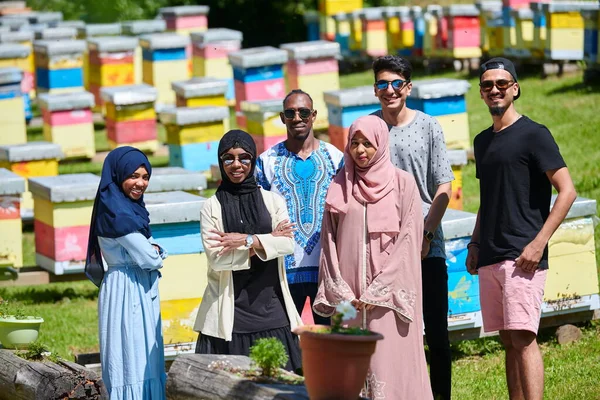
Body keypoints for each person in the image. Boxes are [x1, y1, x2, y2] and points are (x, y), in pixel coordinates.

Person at [467, 57, 577, 400]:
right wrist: (474, 244)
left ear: (515, 88)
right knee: (507, 339)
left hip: (523, 255)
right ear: (482, 94)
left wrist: (538, 244)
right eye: (487, 85)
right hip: (491, 253)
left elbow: (567, 190)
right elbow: (489, 198)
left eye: (502, 84)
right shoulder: (482, 141)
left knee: (524, 337)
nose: (495, 90)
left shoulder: (534, 134)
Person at [314, 115, 433, 399]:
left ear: (381, 144)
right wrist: (341, 290)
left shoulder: (403, 185)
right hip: (349, 299)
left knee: (390, 364)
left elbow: (408, 242)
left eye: (368, 143)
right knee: (350, 367)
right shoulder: (340, 185)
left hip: (389, 297)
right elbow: (328, 240)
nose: (361, 150)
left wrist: (379, 290)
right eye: (354, 143)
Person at [371, 55, 454, 400]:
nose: (389, 90)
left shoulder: (429, 126)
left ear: (408, 87)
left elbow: (444, 188)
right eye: (381, 84)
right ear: (374, 89)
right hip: (383, 249)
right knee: (392, 332)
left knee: (436, 332)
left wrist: (427, 233)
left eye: (395, 83)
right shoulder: (368, 128)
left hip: (426, 246)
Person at [193, 129, 303, 371]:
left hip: (273, 311)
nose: (236, 165)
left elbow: (287, 244)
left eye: (244, 157)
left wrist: (247, 241)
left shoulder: (273, 201)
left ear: (253, 159)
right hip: (230, 316)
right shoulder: (211, 207)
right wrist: (267, 241)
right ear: (221, 162)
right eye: (228, 158)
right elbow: (218, 259)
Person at [85, 146, 168, 400]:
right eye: (133, 176)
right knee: (131, 356)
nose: (140, 183)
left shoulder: (128, 209)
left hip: (136, 287)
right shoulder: (118, 214)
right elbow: (149, 257)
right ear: (118, 175)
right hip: (126, 291)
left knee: (144, 356)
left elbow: (149, 252)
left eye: (145, 177)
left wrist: (154, 250)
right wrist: (158, 251)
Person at [256, 89, 343, 325]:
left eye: (303, 112)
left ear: (314, 115)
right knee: (286, 341)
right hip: (282, 271)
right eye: (290, 113)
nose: (297, 118)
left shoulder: (335, 158)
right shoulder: (267, 161)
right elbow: (257, 211)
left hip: (326, 270)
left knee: (329, 341)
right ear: (282, 118)